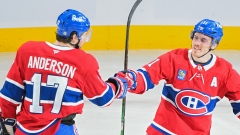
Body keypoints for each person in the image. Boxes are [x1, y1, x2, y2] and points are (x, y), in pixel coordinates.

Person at [0, 9, 129, 135]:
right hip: (60, 130)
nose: (85, 40)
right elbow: (103, 98)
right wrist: (119, 84)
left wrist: (8, 121)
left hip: (25, 130)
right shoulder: (83, 62)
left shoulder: (27, 51)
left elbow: (9, 95)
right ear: (74, 37)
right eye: (84, 35)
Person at [116, 18, 240, 135]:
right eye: (195, 37)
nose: (196, 43)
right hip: (163, 129)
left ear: (214, 44)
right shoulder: (175, 58)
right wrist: (130, 80)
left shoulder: (225, 72)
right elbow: (147, 75)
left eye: (203, 40)